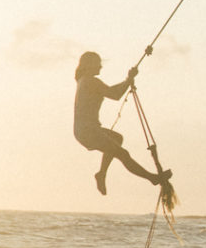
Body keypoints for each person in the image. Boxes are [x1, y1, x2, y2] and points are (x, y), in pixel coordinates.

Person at [73, 52, 170, 197]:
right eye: (98, 63)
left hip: (85, 130)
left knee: (117, 138)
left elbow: (114, 91)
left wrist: (128, 80)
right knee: (122, 154)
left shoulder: (83, 80)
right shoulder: (90, 81)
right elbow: (114, 94)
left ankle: (101, 174)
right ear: (89, 65)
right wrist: (129, 79)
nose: (101, 66)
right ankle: (153, 178)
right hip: (88, 131)